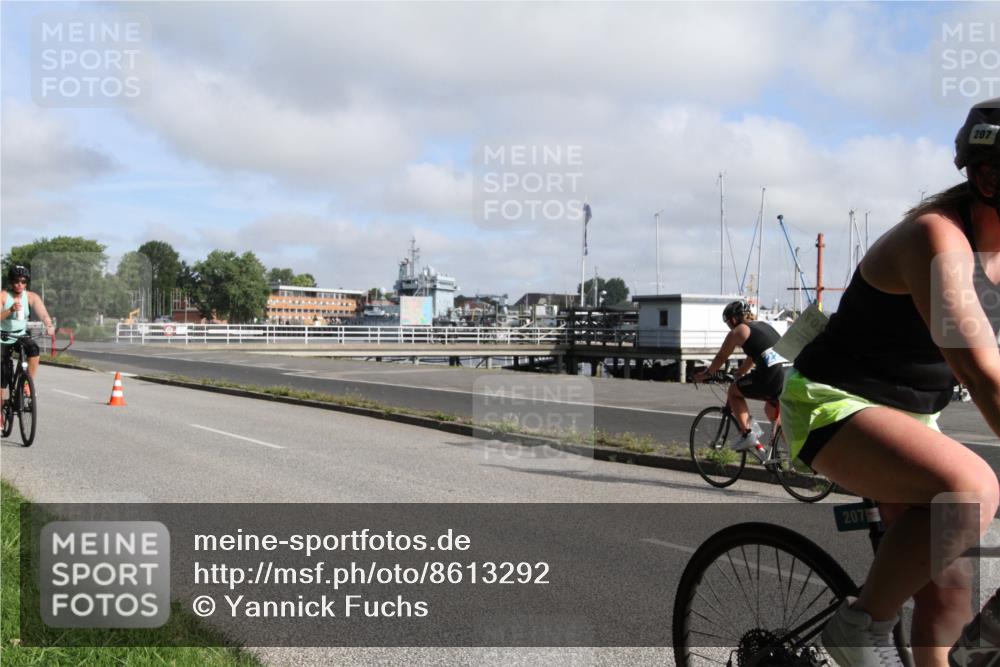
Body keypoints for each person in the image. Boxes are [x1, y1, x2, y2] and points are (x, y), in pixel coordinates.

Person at [780, 99, 1000, 667]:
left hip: (911, 418)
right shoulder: (936, 239)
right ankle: (860, 625)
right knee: (971, 487)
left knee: (951, 590)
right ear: (988, 177)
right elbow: (980, 372)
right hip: (834, 404)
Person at [693, 299, 789, 460]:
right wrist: (740, 372)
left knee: (734, 391)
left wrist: (707, 374)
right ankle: (792, 454)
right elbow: (754, 355)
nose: (729, 326)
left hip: (771, 379)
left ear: (733, 319)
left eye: (728, 323)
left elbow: (721, 356)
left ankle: (747, 434)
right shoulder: (763, 326)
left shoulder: (739, 331)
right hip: (787, 375)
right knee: (771, 410)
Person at [1, 265, 55, 383]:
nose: (20, 284)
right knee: (3, 376)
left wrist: (49, 325)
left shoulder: (31, 297)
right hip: (3, 337)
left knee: (33, 349)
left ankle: (26, 384)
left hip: (20, 335)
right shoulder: (4, 296)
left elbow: (44, 315)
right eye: (16, 281)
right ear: (11, 281)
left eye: (23, 281)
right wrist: (10, 310)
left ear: (26, 283)